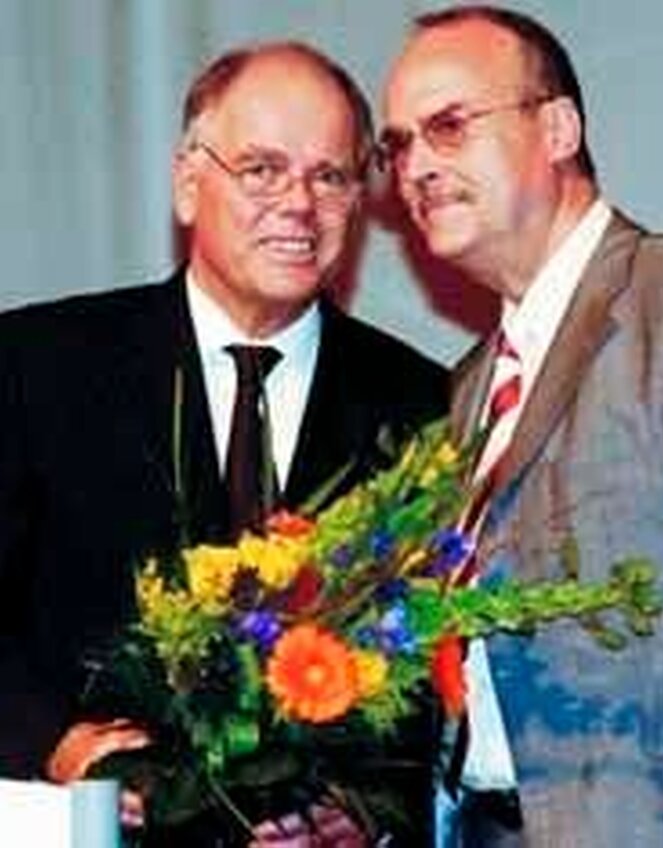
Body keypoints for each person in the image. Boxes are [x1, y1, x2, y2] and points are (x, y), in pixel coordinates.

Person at [0, 40, 446, 845]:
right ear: (186, 183)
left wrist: (368, 813)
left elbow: (440, 674)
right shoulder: (37, 367)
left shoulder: (421, 407)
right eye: (262, 169)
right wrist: (56, 746)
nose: (298, 204)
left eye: (330, 176)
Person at [381, 6, 663, 847]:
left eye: (450, 126)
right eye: (396, 146)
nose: (416, 166)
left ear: (558, 129)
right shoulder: (466, 390)